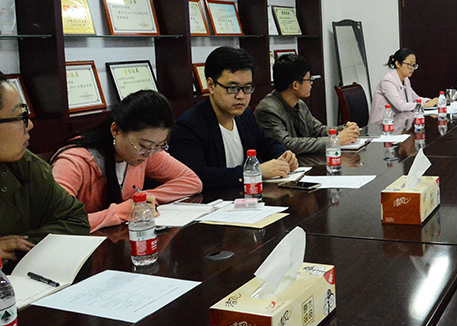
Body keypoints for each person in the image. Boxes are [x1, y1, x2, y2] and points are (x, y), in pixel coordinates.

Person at [50, 90, 203, 232]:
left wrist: (143, 200)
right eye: (144, 146)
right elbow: (56, 222)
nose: (150, 154)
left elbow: (192, 182)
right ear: (116, 130)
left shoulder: (147, 151)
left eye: (159, 146)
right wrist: (123, 211)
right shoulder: (73, 162)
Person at [169, 47, 298, 189]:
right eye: (232, 88)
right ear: (211, 85)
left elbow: (266, 143)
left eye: (247, 88)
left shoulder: (244, 116)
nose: (241, 96)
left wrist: (283, 156)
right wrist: (253, 172)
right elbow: (196, 176)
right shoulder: (189, 126)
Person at [0, 72, 89, 262]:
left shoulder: (24, 165)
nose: (29, 126)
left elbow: (76, 220)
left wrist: (21, 245)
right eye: (21, 117)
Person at [255, 54, 359, 154]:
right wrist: (333, 141)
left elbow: (317, 130)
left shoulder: (299, 104)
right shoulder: (268, 110)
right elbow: (286, 145)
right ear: (295, 85)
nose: (311, 83)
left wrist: (345, 130)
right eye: (309, 79)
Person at [368, 48, 437, 124]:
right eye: (409, 65)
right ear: (397, 64)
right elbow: (401, 106)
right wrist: (425, 105)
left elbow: (415, 98)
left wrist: (430, 101)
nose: (412, 69)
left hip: (398, 122)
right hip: (382, 124)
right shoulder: (388, 81)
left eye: (414, 65)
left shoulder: (405, 79)